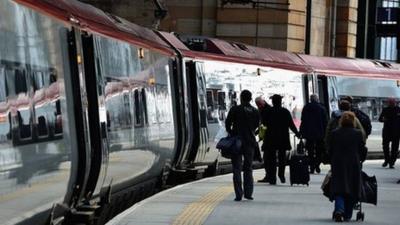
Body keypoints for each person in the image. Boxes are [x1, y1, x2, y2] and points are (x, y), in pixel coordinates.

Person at [328, 111, 366, 222]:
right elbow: (362, 149)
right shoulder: (358, 133)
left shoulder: (335, 133)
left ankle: (339, 210)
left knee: (339, 187)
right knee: (352, 186)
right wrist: (361, 158)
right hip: (353, 163)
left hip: (338, 163)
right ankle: (348, 214)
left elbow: (330, 149)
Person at [225, 90, 260, 201]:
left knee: (236, 168)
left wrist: (231, 133)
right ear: (250, 98)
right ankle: (248, 193)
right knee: (248, 168)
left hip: (237, 142)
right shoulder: (255, 111)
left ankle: (238, 194)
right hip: (249, 142)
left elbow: (227, 123)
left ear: (241, 98)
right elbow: (257, 126)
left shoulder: (235, 109)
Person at [261, 94, 300, 185]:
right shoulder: (285, 112)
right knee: (282, 158)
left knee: (271, 159)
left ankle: (272, 178)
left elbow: (263, 124)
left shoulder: (268, 112)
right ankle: (281, 175)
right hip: (283, 138)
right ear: (280, 102)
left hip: (270, 138)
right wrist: (298, 134)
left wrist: (261, 136)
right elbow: (291, 125)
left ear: (273, 102)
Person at [300, 94, 328, 174]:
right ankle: (317, 164)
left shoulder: (306, 108)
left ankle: (311, 166)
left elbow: (303, 120)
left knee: (310, 150)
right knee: (319, 150)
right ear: (317, 99)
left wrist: (301, 132)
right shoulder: (322, 108)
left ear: (310, 99)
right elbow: (325, 122)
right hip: (320, 133)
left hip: (309, 133)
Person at [378, 98, 400, 169]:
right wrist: (383, 119)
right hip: (387, 131)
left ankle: (392, 162)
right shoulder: (385, 109)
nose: (391, 103)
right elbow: (380, 119)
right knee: (385, 147)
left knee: (395, 148)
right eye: (390, 102)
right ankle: (387, 160)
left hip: (396, 132)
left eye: (392, 102)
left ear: (395, 102)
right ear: (388, 103)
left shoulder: (398, 109)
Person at [255, 96, 271, 182]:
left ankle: (269, 176)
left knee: (267, 157)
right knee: (267, 157)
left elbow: (264, 124)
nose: (258, 106)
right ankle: (269, 176)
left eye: (259, 104)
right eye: (257, 105)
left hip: (269, 138)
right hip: (265, 137)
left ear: (263, 102)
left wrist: (257, 132)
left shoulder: (267, 110)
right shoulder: (262, 110)